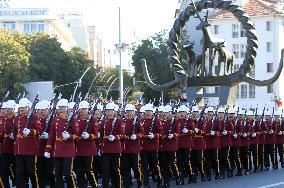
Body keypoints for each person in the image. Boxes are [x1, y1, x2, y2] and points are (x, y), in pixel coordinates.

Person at [44, 98, 78, 187]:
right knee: (57, 174)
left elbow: (77, 134)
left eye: (62, 107)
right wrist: (47, 149)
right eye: (59, 107)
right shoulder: (55, 120)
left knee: (67, 173)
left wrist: (69, 137)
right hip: (57, 150)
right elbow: (51, 135)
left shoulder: (72, 119)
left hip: (68, 150)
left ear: (66, 108)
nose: (60, 109)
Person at [99, 102, 124, 188]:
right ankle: (105, 185)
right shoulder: (103, 122)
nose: (109, 112)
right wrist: (99, 146)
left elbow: (122, 134)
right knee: (105, 169)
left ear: (115, 112)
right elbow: (101, 136)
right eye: (107, 110)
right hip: (105, 149)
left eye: (111, 110)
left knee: (115, 169)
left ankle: (117, 185)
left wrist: (115, 137)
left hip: (115, 149)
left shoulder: (119, 121)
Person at [74, 100, 98, 188]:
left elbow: (96, 135)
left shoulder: (93, 120)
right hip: (78, 149)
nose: (82, 111)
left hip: (88, 149)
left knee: (88, 171)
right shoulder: (75, 119)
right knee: (79, 171)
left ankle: (94, 185)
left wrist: (89, 136)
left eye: (84, 109)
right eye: (81, 109)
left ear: (88, 109)